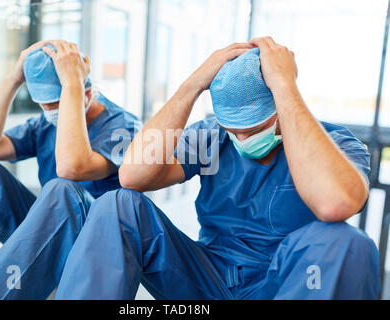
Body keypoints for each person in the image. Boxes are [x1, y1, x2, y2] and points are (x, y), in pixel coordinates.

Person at [53, 37, 380, 300]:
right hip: (206, 279)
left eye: (251, 129)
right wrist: (192, 86)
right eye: (232, 129)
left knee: (348, 241)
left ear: (281, 107)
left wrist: (284, 84)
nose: (239, 138)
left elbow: (336, 203)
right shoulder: (211, 137)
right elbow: (132, 176)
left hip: (281, 284)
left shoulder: (335, 143)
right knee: (118, 203)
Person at [0, 40, 141, 299]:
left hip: (96, 242)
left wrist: (72, 85)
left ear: (87, 95)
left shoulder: (124, 127)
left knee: (62, 189)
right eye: (43, 106)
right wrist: (13, 80)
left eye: (56, 105)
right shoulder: (45, 124)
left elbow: (72, 168)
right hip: (47, 230)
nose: (49, 114)